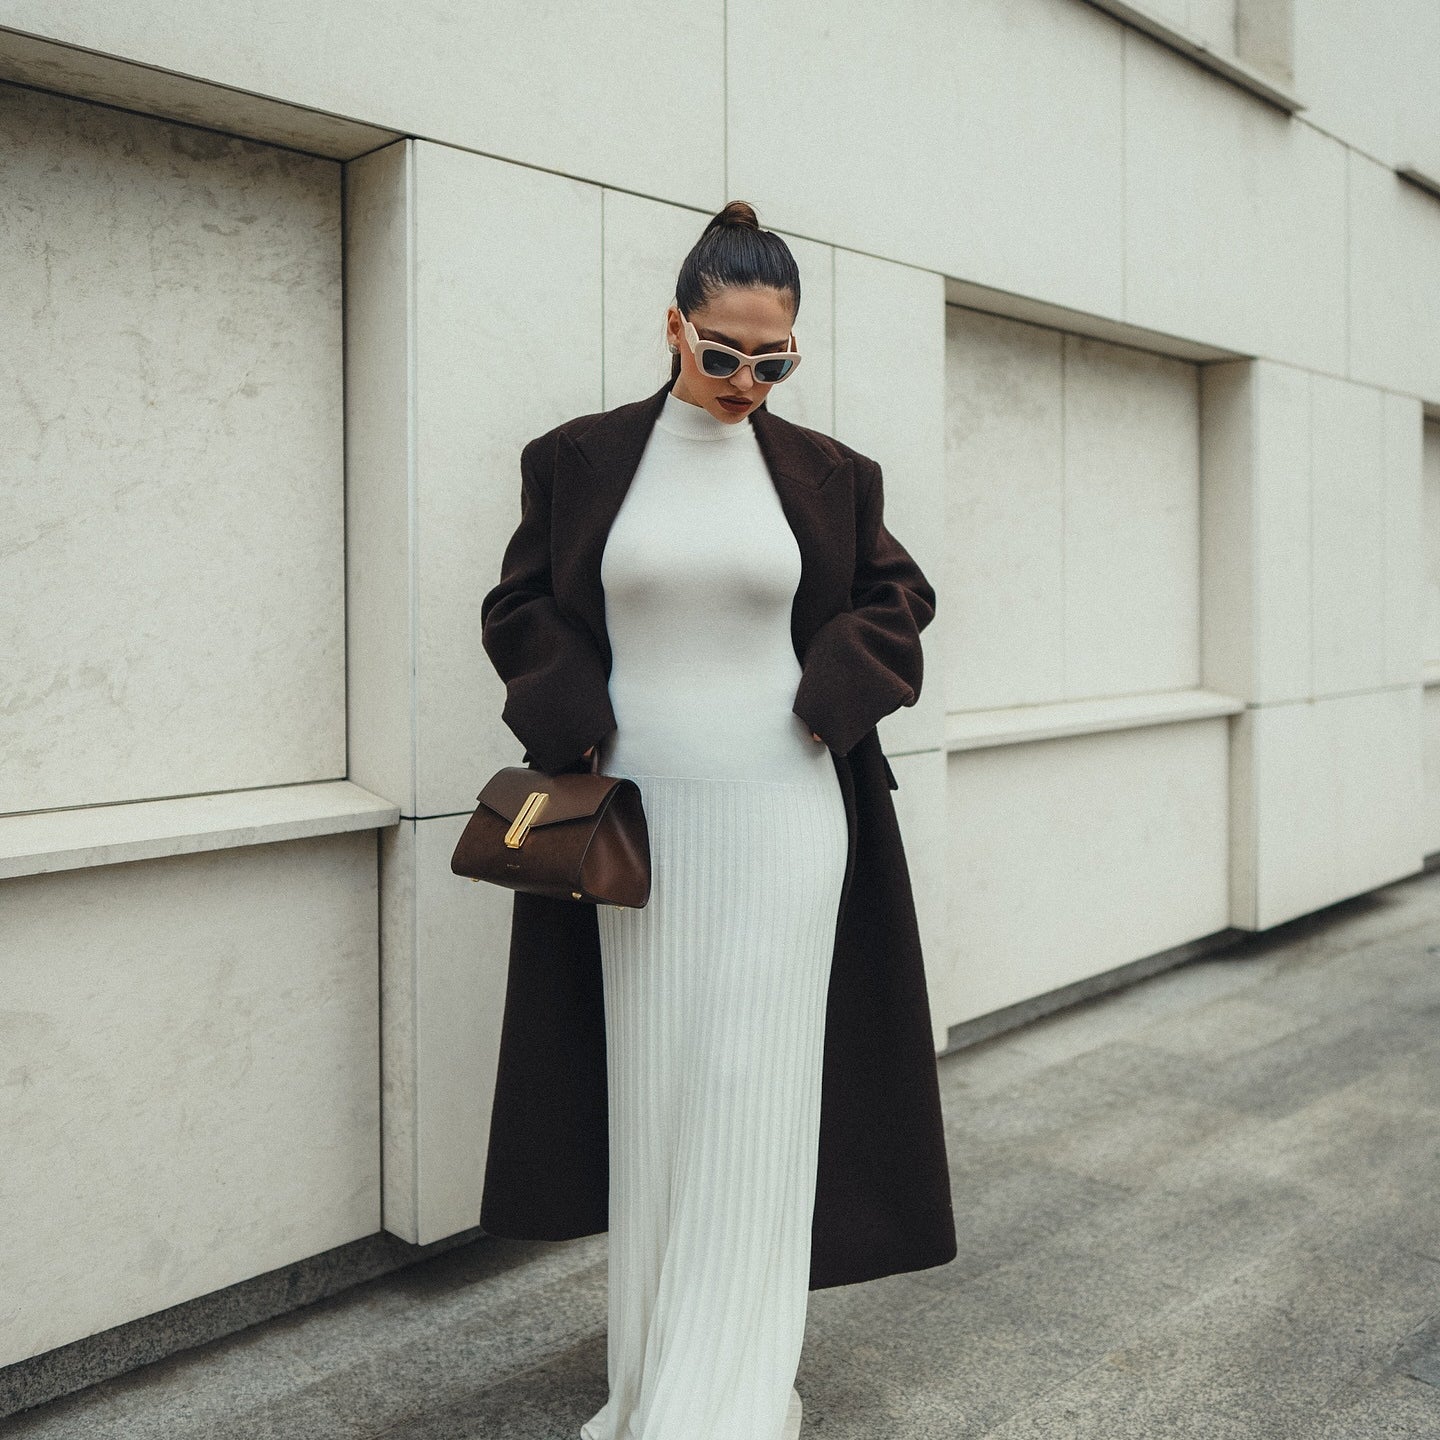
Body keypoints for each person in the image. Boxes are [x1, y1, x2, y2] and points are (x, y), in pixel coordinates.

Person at [480, 200, 949, 1440]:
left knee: (759, 1085)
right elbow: (521, 606)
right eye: (724, 353)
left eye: (774, 359)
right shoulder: (576, 459)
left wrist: (827, 693)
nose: (747, 380)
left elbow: (900, 598)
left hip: (787, 810)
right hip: (632, 825)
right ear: (674, 326)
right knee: (654, 1087)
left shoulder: (832, 475)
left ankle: (735, 1389)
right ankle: (650, 1376)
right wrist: (573, 714)